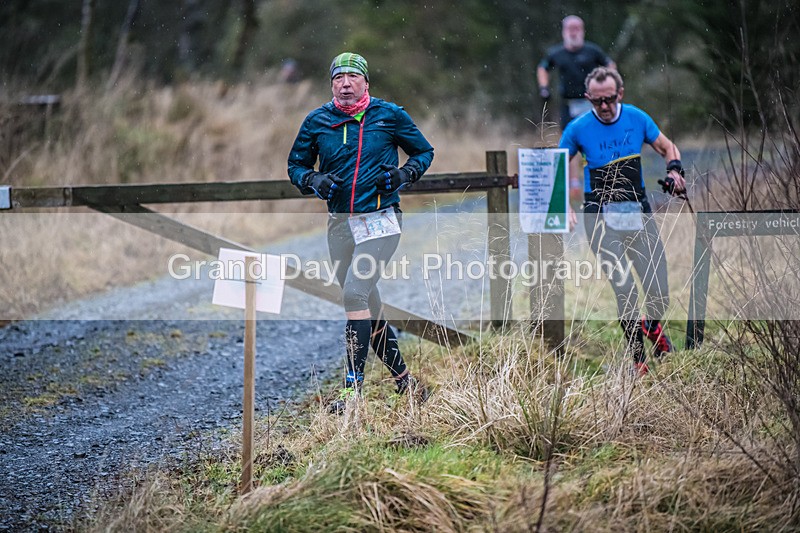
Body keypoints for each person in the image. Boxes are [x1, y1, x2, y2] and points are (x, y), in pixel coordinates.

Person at [288, 52, 434, 412]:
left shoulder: (389, 115)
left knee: (354, 295)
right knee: (369, 306)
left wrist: (404, 175)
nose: (346, 84)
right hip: (340, 224)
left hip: (381, 220)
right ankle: (406, 383)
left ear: (366, 82)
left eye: (353, 77)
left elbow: (423, 152)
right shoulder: (317, 121)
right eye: (339, 78)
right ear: (331, 84)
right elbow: (295, 165)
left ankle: (350, 394)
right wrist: (313, 180)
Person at [559, 67, 687, 375]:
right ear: (588, 98)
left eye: (609, 99)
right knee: (625, 289)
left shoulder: (636, 118)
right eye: (597, 101)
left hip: (637, 212)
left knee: (659, 290)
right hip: (599, 218)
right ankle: (639, 361)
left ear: (620, 93)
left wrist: (674, 171)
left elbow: (667, 146)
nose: (604, 106)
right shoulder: (578, 128)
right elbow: (557, 166)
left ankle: (651, 326)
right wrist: (564, 204)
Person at [537, 16, 616, 129]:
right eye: (570, 29)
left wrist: (610, 85)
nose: (573, 33)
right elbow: (543, 68)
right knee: (569, 133)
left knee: (594, 131)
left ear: (583, 31)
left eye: (577, 29)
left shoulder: (592, 50)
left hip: (591, 101)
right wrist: (544, 88)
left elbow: (610, 65)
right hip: (568, 102)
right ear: (564, 31)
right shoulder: (557, 53)